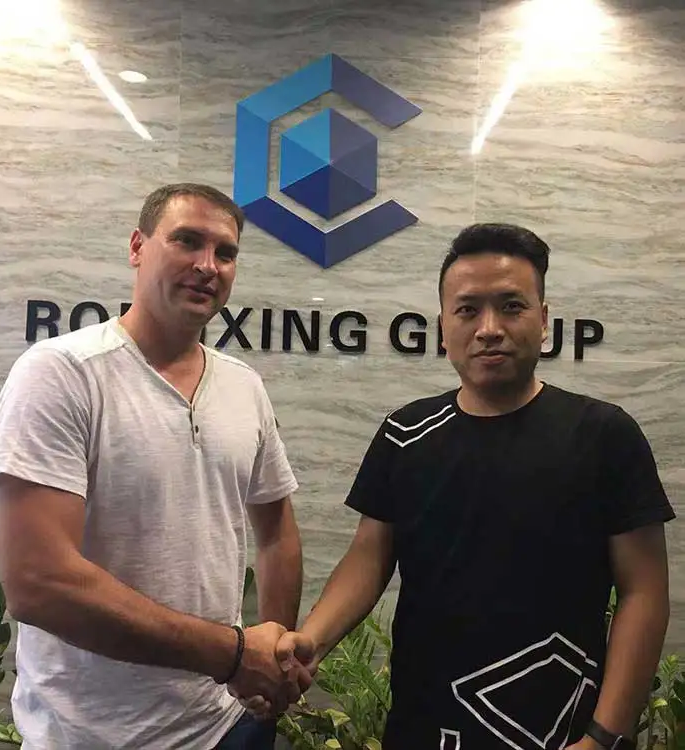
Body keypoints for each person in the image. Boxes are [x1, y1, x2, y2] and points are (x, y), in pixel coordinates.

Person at [266, 223, 676, 750]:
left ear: (544, 320)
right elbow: (369, 557)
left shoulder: (603, 435)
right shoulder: (405, 433)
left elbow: (644, 593)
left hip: (558, 730)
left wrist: (604, 736)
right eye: (467, 310)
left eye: (511, 307)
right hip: (425, 728)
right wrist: (312, 640)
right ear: (443, 328)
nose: (489, 328)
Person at [0, 183, 308, 750]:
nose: (207, 265)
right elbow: (39, 583)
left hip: (227, 725)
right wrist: (234, 655)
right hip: (92, 736)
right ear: (138, 246)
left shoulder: (244, 386)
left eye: (225, 252)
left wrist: (272, 653)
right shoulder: (62, 373)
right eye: (187, 241)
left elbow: (277, 529)